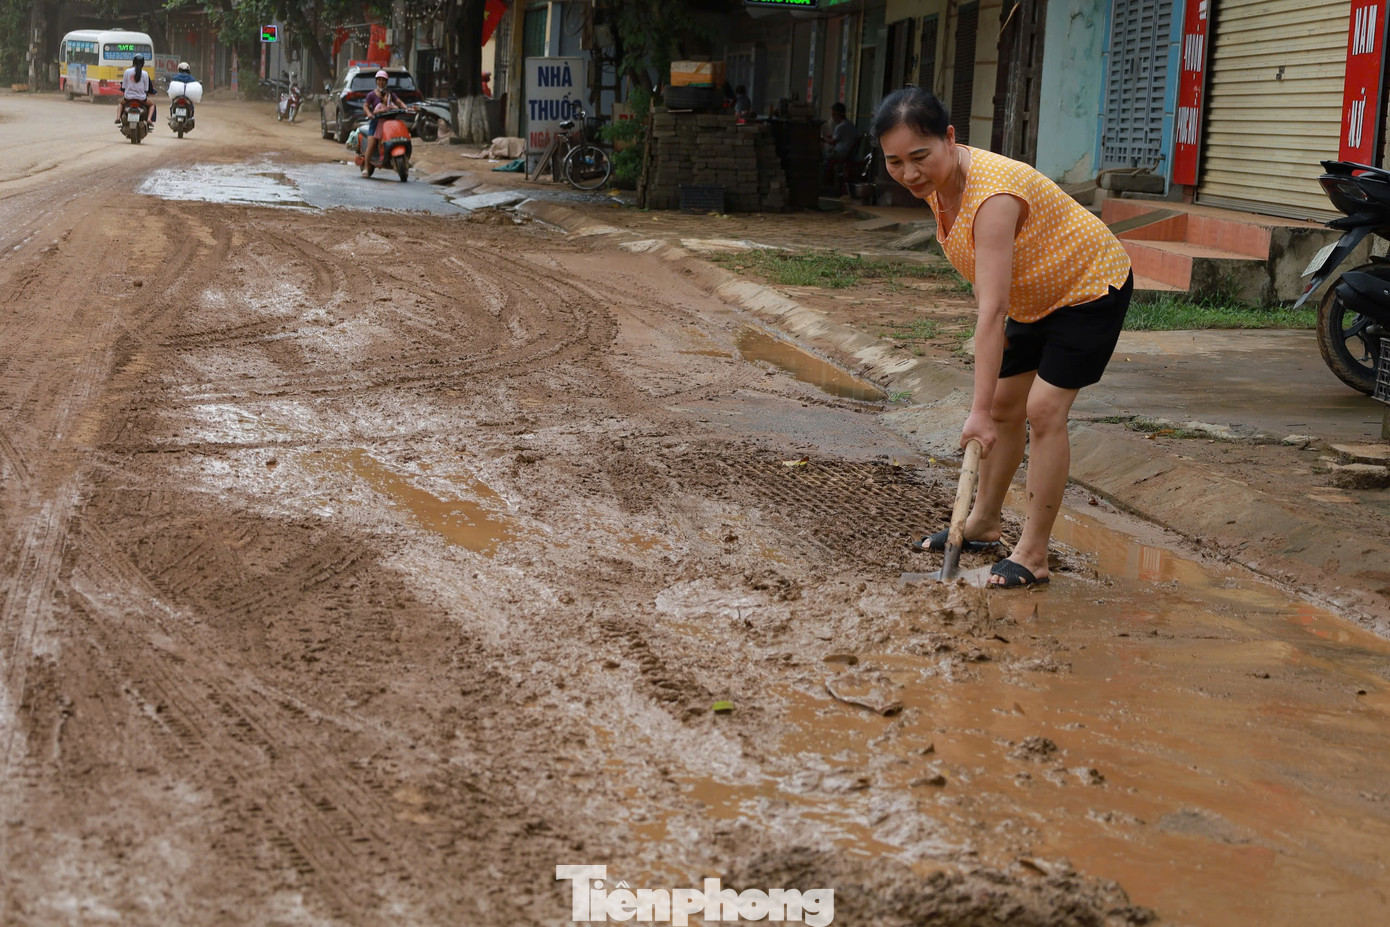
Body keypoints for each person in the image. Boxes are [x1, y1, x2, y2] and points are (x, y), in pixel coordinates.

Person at [875, 87, 1133, 588]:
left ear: (950, 138)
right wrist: (987, 407)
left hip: (1088, 287)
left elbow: (992, 313)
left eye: (920, 157)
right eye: (895, 162)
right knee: (1003, 406)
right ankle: (983, 523)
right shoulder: (939, 186)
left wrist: (976, 411)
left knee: (1043, 409)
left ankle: (1033, 553)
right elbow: (987, 289)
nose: (909, 173)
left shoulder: (992, 197)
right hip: (1034, 295)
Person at [361, 69, 409, 176]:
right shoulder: (371, 95)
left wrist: (406, 108)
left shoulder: (390, 93)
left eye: (383, 80)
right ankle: (366, 167)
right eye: (379, 80)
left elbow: (399, 102)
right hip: (376, 123)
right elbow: (365, 106)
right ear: (376, 81)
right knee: (372, 144)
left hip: (388, 123)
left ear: (386, 82)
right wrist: (369, 114)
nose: (381, 82)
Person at [822, 101, 861, 188]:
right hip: (849, 153)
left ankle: (827, 184)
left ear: (837, 114)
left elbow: (833, 142)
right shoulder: (849, 124)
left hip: (842, 154)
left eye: (833, 114)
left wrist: (822, 139)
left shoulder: (841, 126)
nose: (832, 117)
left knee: (825, 157)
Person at [116, 54, 156, 128]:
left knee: (121, 103)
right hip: (141, 98)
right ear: (143, 63)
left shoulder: (127, 71)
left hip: (128, 98)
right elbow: (146, 89)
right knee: (152, 105)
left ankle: (118, 118)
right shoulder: (145, 73)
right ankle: (149, 119)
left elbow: (123, 86)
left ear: (133, 62)